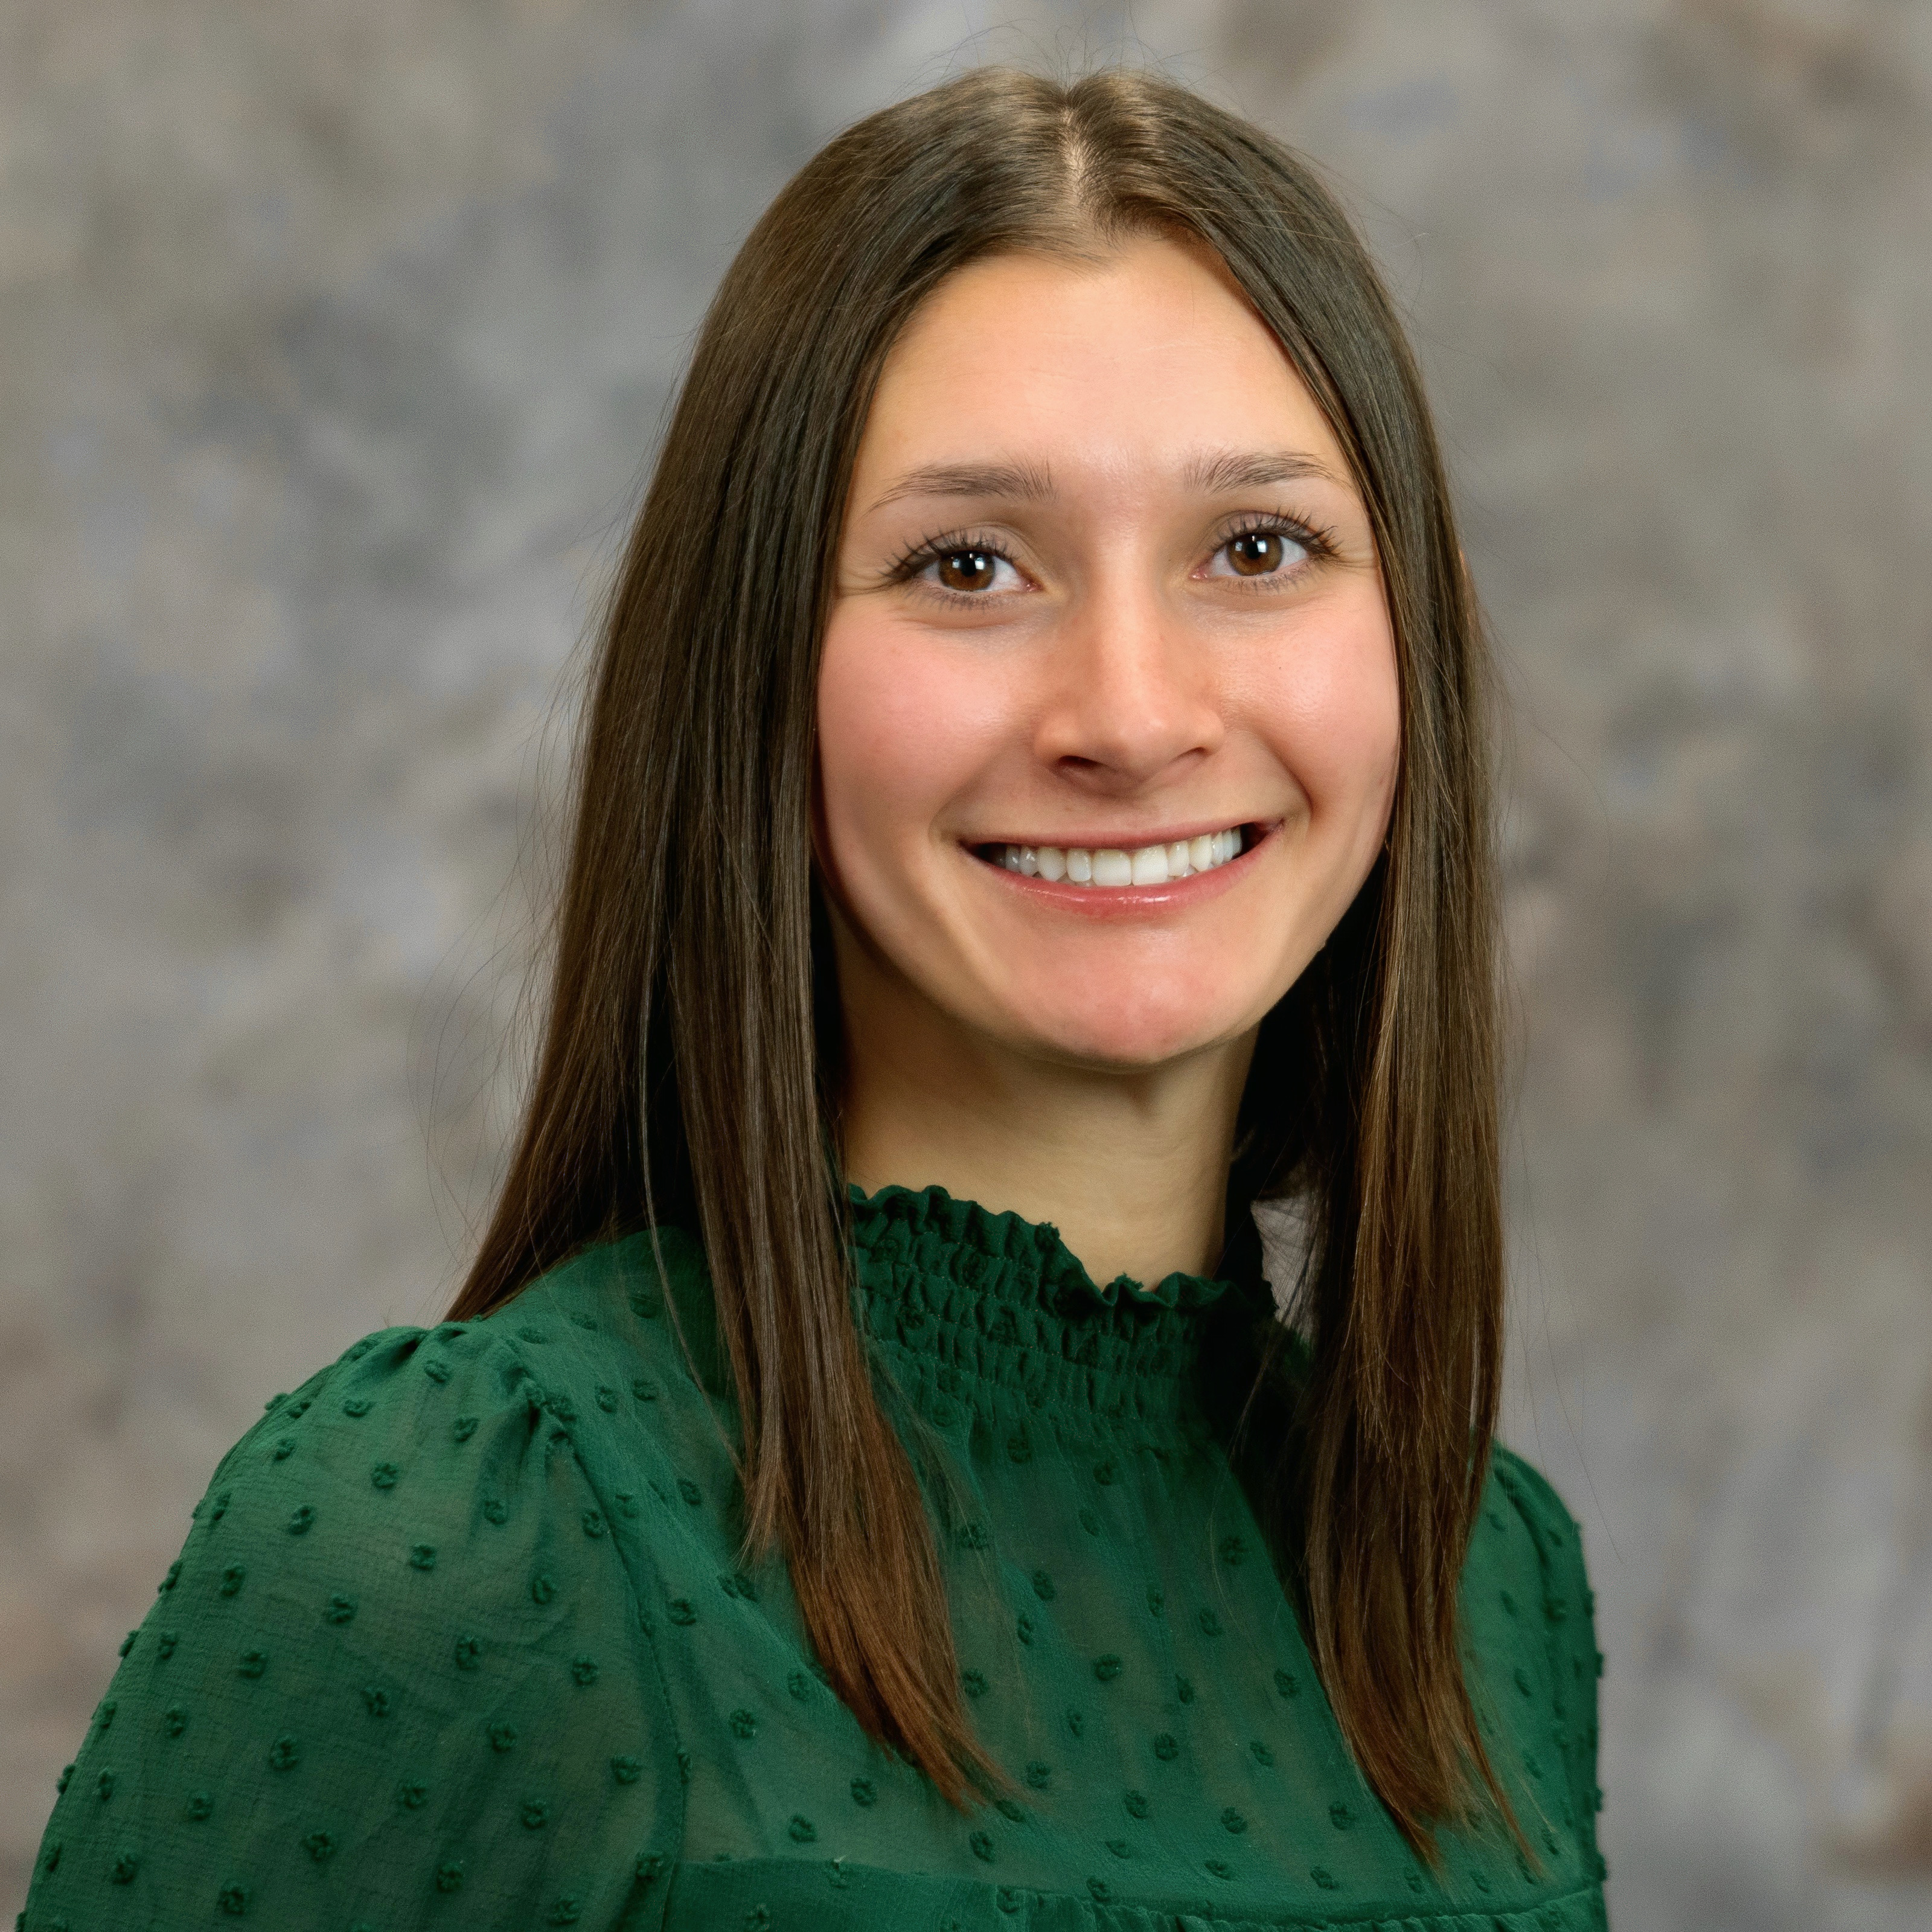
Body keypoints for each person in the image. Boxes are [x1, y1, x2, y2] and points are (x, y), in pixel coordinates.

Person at [19, 65, 1606, 1932]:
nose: (1134, 714)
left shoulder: (1480, 1584)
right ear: (757, 675)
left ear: (1406, 642)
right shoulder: (458, 1527)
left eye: (1257, 550)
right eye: (969, 564)